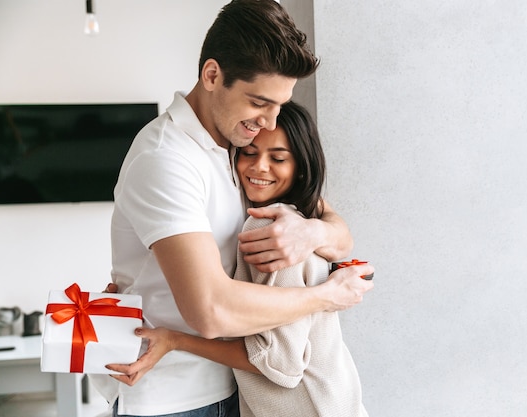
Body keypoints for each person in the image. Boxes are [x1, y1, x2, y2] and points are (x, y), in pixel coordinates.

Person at [89, 1, 374, 416]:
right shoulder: (167, 160)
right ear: (212, 75)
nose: (270, 121)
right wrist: (326, 297)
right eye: (259, 102)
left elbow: (332, 222)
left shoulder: (239, 150)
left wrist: (311, 233)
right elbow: (210, 310)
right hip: (173, 397)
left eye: (279, 104)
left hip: (238, 390)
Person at [109, 101, 369, 417]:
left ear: (300, 167)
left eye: (278, 158)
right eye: (250, 153)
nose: (260, 167)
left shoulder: (272, 230)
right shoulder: (290, 216)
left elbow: (279, 362)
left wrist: (175, 340)